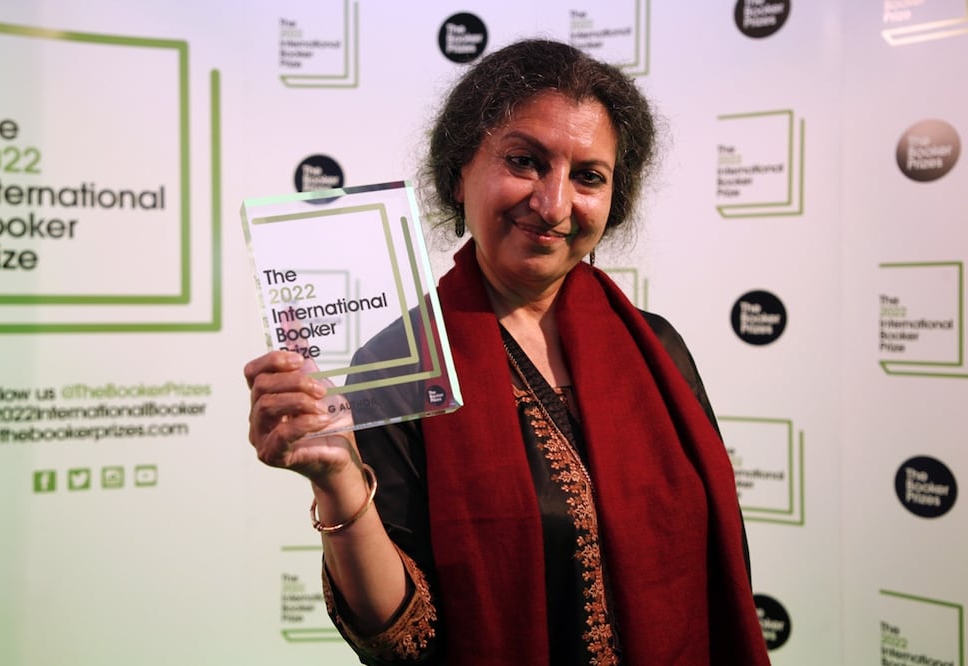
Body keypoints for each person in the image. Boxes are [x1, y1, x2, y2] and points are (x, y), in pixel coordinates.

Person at [244, 38, 770, 666]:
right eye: (524, 161)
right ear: (461, 170)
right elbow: (399, 637)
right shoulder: (401, 365)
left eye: (588, 177)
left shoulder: (657, 349)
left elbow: (720, 564)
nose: (553, 205)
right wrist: (337, 482)